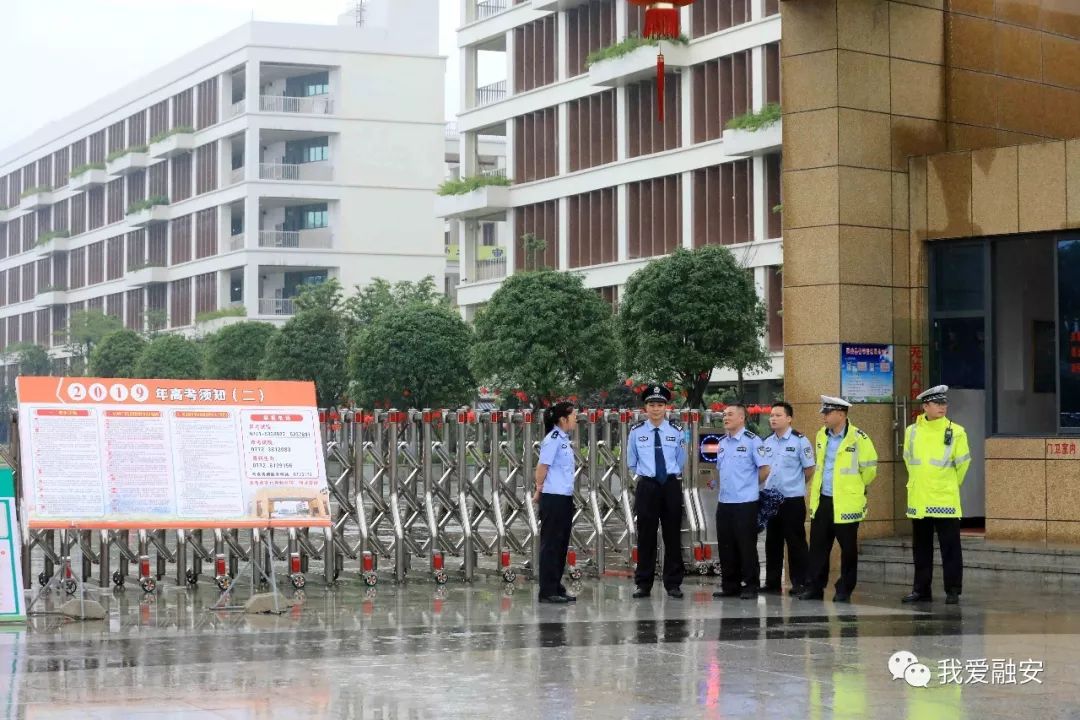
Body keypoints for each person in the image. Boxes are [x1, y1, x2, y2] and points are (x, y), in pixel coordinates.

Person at [799, 396, 878, 603]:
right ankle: (814, 587)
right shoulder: (821, 435)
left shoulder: (859, 438)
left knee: (848, 549)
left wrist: (853, 488)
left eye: (827, 413)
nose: (823, 416)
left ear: (841, 414)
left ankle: (844, 589)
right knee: (817, 547)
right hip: (823, 500)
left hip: (847, 502)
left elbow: (869, 470)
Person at [902, 385, 970, 605]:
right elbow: (908, 460)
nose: (942, 407)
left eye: (944, 403)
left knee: (950, 548)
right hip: (919, 498)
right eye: (937, 403)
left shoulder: (956, 431)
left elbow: (963, 464)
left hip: (944, 499)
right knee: (921, 549)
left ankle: (953, 590)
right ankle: (921, 590)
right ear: (925, 406)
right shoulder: (912, 431)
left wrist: (946, 484)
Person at [626, 385, 687, 599]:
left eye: (660, 405)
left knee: (672, 535)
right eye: (652, 405)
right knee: (646, 536)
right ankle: (643, 583)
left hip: (670, 485)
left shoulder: (677, 431)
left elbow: (681, 460)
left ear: (666, 407)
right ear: (645, 407)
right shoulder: (636, 432)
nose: (656, 409)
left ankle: (673, 583)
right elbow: (631, 462)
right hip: (647, 486)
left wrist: (669, 476)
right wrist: (649, 476)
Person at [711, 404, 771, 600]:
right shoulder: (722, 443)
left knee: (746, 545)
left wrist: (749, 487)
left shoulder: (753, 441)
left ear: (742, 418)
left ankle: (751, 585)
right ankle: (730, 585)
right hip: (725, 501)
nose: (725, 417)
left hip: (745, 502)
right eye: (724, 415)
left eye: (730, 414)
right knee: (726, 545)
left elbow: (764, 469)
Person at [761, 402, 815, 596]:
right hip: (771, 499)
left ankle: (800, 583)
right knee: (772, 542)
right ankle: (772, 583)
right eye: (771, 415)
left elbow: (809, 470)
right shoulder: (766, 442)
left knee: (796, 542)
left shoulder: (800, 441)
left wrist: (796, 485)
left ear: (789, 418)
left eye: (777, 415)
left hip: (792, 499)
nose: (773, 418)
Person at [533, 401, 578, 604]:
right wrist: (538, 489)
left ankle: (556, 586)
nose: (576, 419)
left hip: (564, 496)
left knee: (560, 544)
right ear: (563, 419)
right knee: (550, 545)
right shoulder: (552, 439)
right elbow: (542, 467)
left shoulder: (564, 439)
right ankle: (547, 590)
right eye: (573, 415)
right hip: (553, 497)